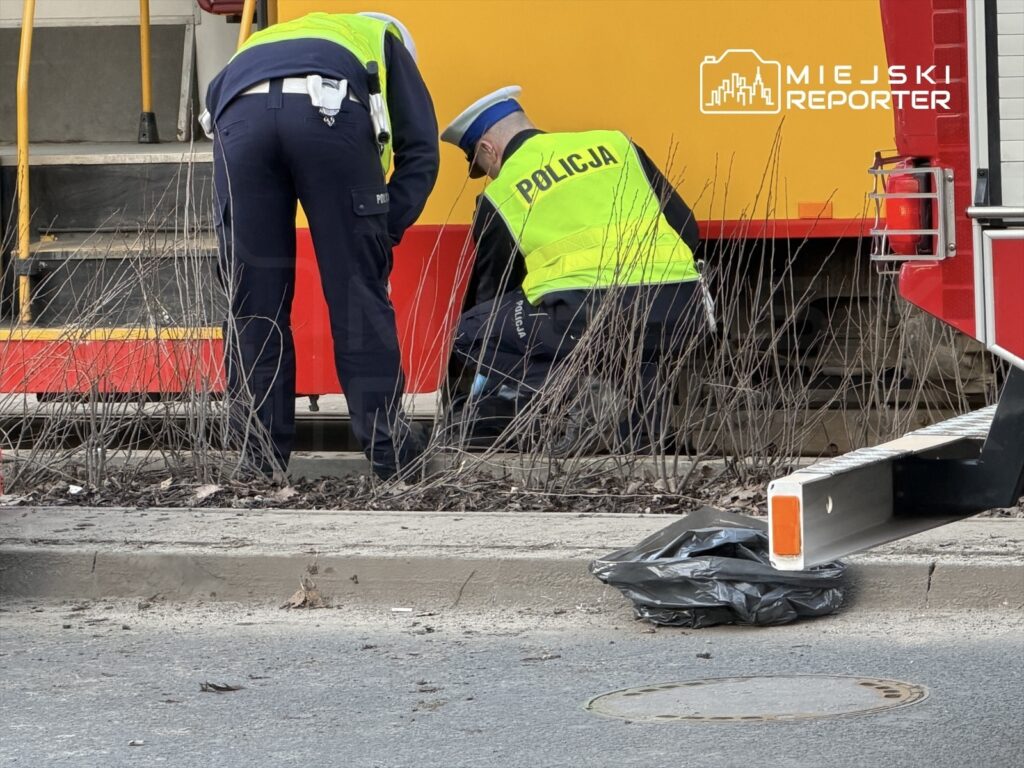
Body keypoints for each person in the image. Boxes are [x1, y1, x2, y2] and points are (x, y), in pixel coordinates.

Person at [203, 12, 439, 479]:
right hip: (326, 117)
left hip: (240, 123)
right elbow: (420, 150)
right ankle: (393, 460)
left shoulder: (265, 39)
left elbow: (217, 98)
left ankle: (258, 461)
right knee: (357, 299)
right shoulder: (386, 40)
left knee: (253, 304)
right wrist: (380, 229)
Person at [440, 86, 707, 449]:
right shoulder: (616, 145)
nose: (489, 175)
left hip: (588, 316)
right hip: (682, 308)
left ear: (488, 149)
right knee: (635, 344)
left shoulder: (500, 194)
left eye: (483, 167)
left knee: (471, 332)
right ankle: (647, 435)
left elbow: (494, 292)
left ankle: (586, 397)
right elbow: (687, 228)